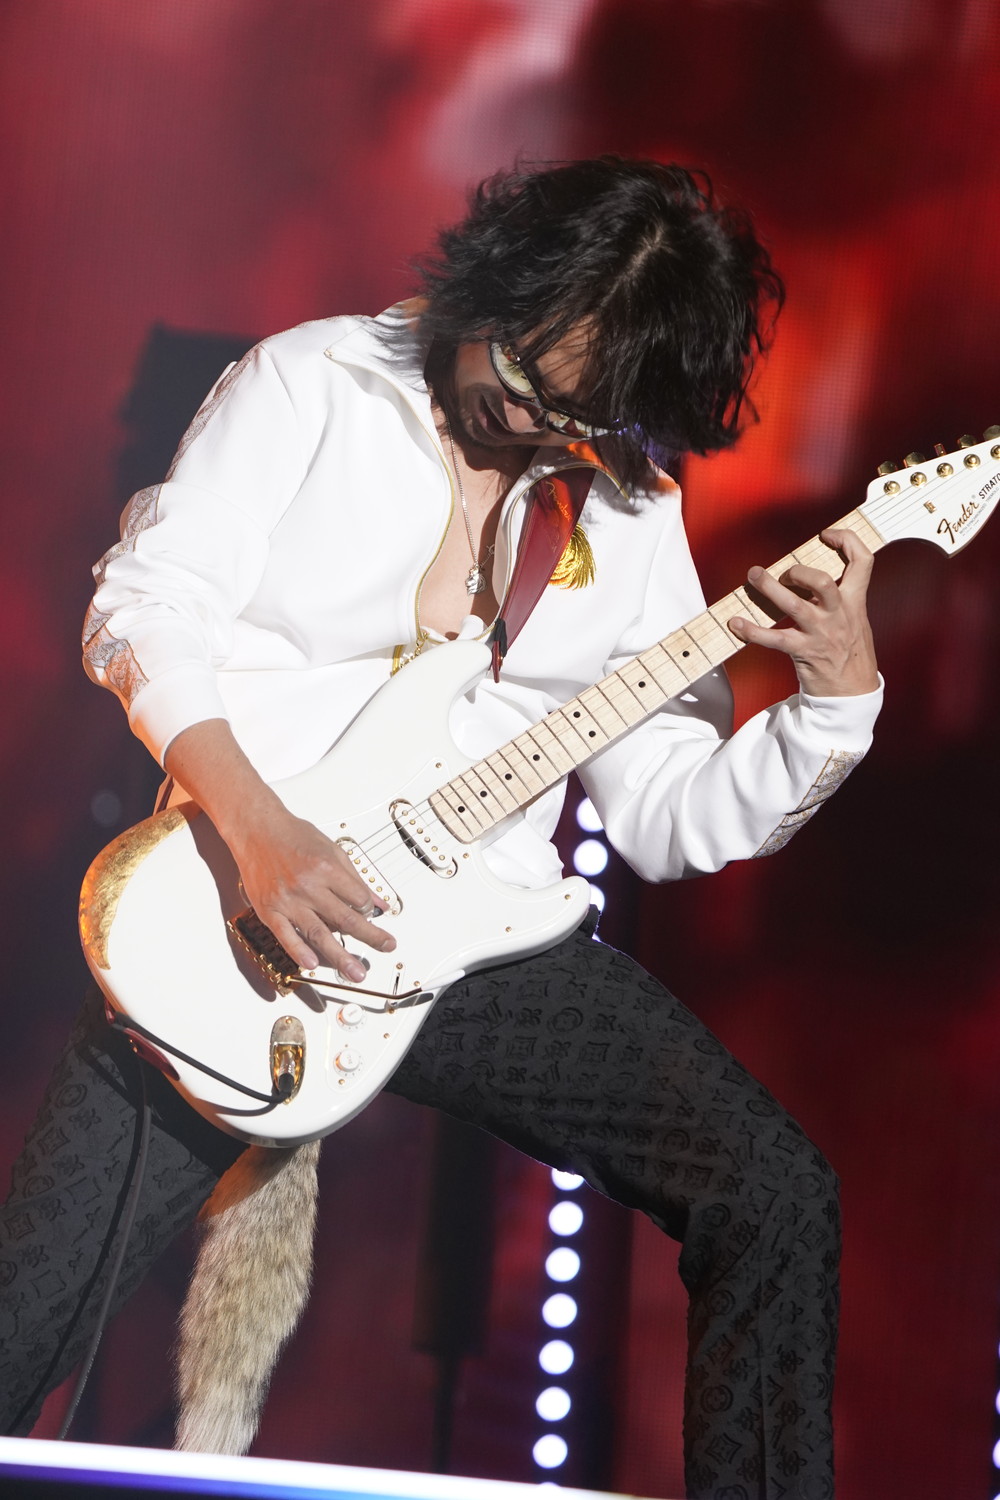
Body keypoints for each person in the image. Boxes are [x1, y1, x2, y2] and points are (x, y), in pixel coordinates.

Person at [0, 158, 880, 1499]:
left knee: (772, 1194)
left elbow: (666, 815)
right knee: (22, 1326)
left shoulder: (628, 499)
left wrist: (834, 702)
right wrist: (262, 830)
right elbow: (144, 608)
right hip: (240, 912)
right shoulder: (311, 385)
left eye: (579, 414)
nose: (534, 425)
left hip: (484, 935)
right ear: (494, 281)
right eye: (526, 378)